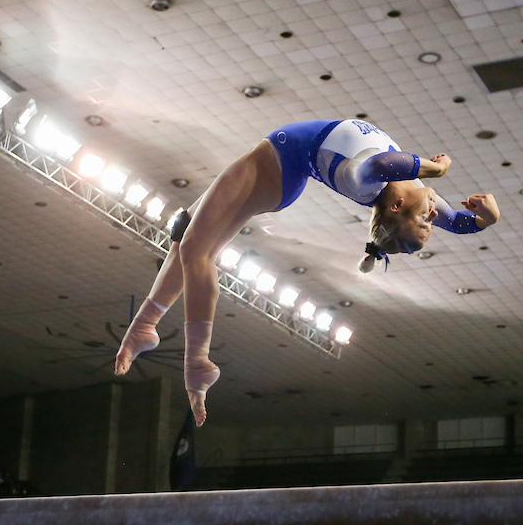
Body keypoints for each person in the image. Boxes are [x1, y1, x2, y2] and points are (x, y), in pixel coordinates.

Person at [113, 118, 500, 426]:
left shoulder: (364, 181)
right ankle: (144, 328)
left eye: (424, 220)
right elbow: (459, 222)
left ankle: (196, 362)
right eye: (430, 221)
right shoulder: (413, 191)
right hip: (281, 168)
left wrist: (436, 168)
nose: (434, 214)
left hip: (275, 166)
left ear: (397, 208)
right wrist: (487, 218)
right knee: (187, 236)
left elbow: (382, 163)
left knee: (197, 250)